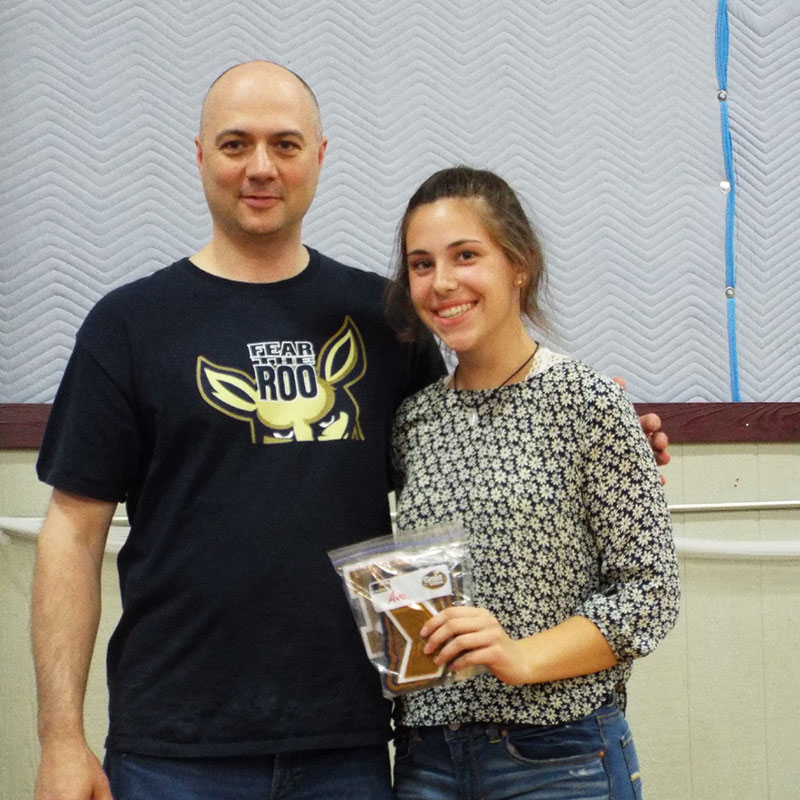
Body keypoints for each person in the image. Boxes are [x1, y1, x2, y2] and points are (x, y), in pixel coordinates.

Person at [31, 63, 669, 799]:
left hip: (350, 749)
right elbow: (70, 534)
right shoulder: (128, 325)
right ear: (200, 155)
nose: (261, 167)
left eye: (285, 144)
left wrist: (606, 435)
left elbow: (472, 447)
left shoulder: (385, 319)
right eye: (236, 144)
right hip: (173, 751)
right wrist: (59, 738)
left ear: (320, 156)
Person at [386, 166, 680, 800]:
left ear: (519, 264)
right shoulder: (413, 420)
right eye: (421, 264)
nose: (442, 282)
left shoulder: (587, 402)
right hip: (426, 756)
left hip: (557, 755)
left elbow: (650, 594)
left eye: (466, 255)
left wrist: (520, 656)